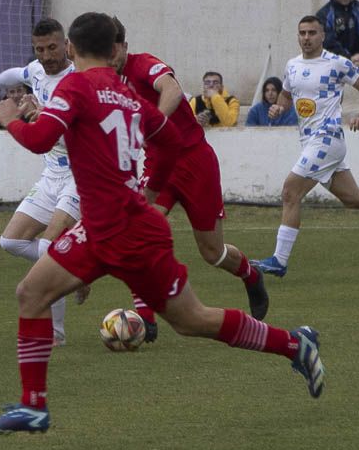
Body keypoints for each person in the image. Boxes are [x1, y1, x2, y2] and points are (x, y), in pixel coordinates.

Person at [0, 12, 324, 435]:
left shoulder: (77, 85)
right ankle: (33, 407)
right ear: (112, 49)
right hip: (104, 226)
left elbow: (39, 139)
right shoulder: (126, 96)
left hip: (128, 232)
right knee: (31, 292)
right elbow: (172, 140)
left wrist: (11, 117)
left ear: (71, 50)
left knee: (193, 320)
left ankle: (293, 345)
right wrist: (146, 191)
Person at [113, 17, 269, 325]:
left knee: (213, 253)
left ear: (125, 47)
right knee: (137, 232)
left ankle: (251, 275)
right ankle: (145, 316)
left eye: (114, 49)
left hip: (194, 160)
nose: (110, 56)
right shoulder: (104, 81)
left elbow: (171, 88)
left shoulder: (143, 64)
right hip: (159, 166)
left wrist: (155, 120)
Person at [250, 16, 359, 277]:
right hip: (309, 141)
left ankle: (280, 260)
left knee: (290, 192)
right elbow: (287, 94)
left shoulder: (336, 63)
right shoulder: (292, 65)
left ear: (322, 35)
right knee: (353, 198)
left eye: (312, 32)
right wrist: (279, 106)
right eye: (302, 33)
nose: (307, 37)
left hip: (328, 138)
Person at [0, 18, 84, 346]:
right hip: (51, 174)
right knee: (11, 242)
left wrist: (40, 114)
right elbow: (17, 74)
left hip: (79, 175)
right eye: (39, 49)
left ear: (67, 45)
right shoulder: (37, 71)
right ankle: (78, 269)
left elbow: (82, 129)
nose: (46, 55)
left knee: (48, 247)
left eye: (52, 47)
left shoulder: (79, 79)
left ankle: (55, 336)